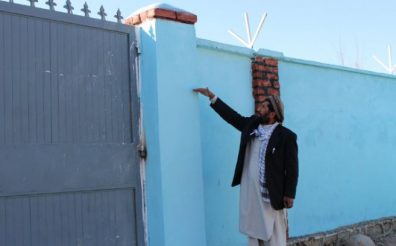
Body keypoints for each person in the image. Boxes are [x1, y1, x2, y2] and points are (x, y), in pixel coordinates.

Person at [193, 87, 298, 246]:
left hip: (271, 194)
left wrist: (289, 194)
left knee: (274, 235)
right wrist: (212, 97)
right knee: (253, 232)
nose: (259, 108)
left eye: (263, 107)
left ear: (273, 113)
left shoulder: (286, 136)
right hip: (251, 192)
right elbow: (232, 117)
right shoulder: (252, 125)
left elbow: (292, 169)